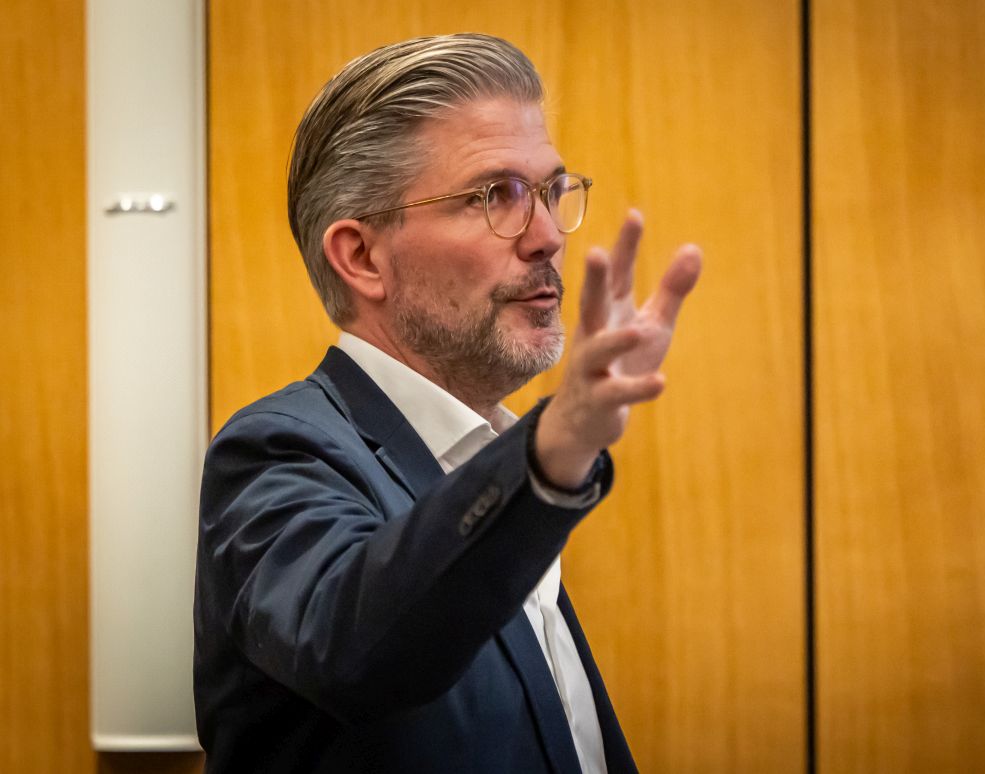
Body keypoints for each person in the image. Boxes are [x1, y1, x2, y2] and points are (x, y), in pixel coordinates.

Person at [194, 33, 701, 774]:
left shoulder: (492, 460)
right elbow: (356, 651)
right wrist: (553, 450)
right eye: (494, 196)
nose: (547, 236)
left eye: (551, 192)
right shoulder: (278, 451)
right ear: (361, 257)